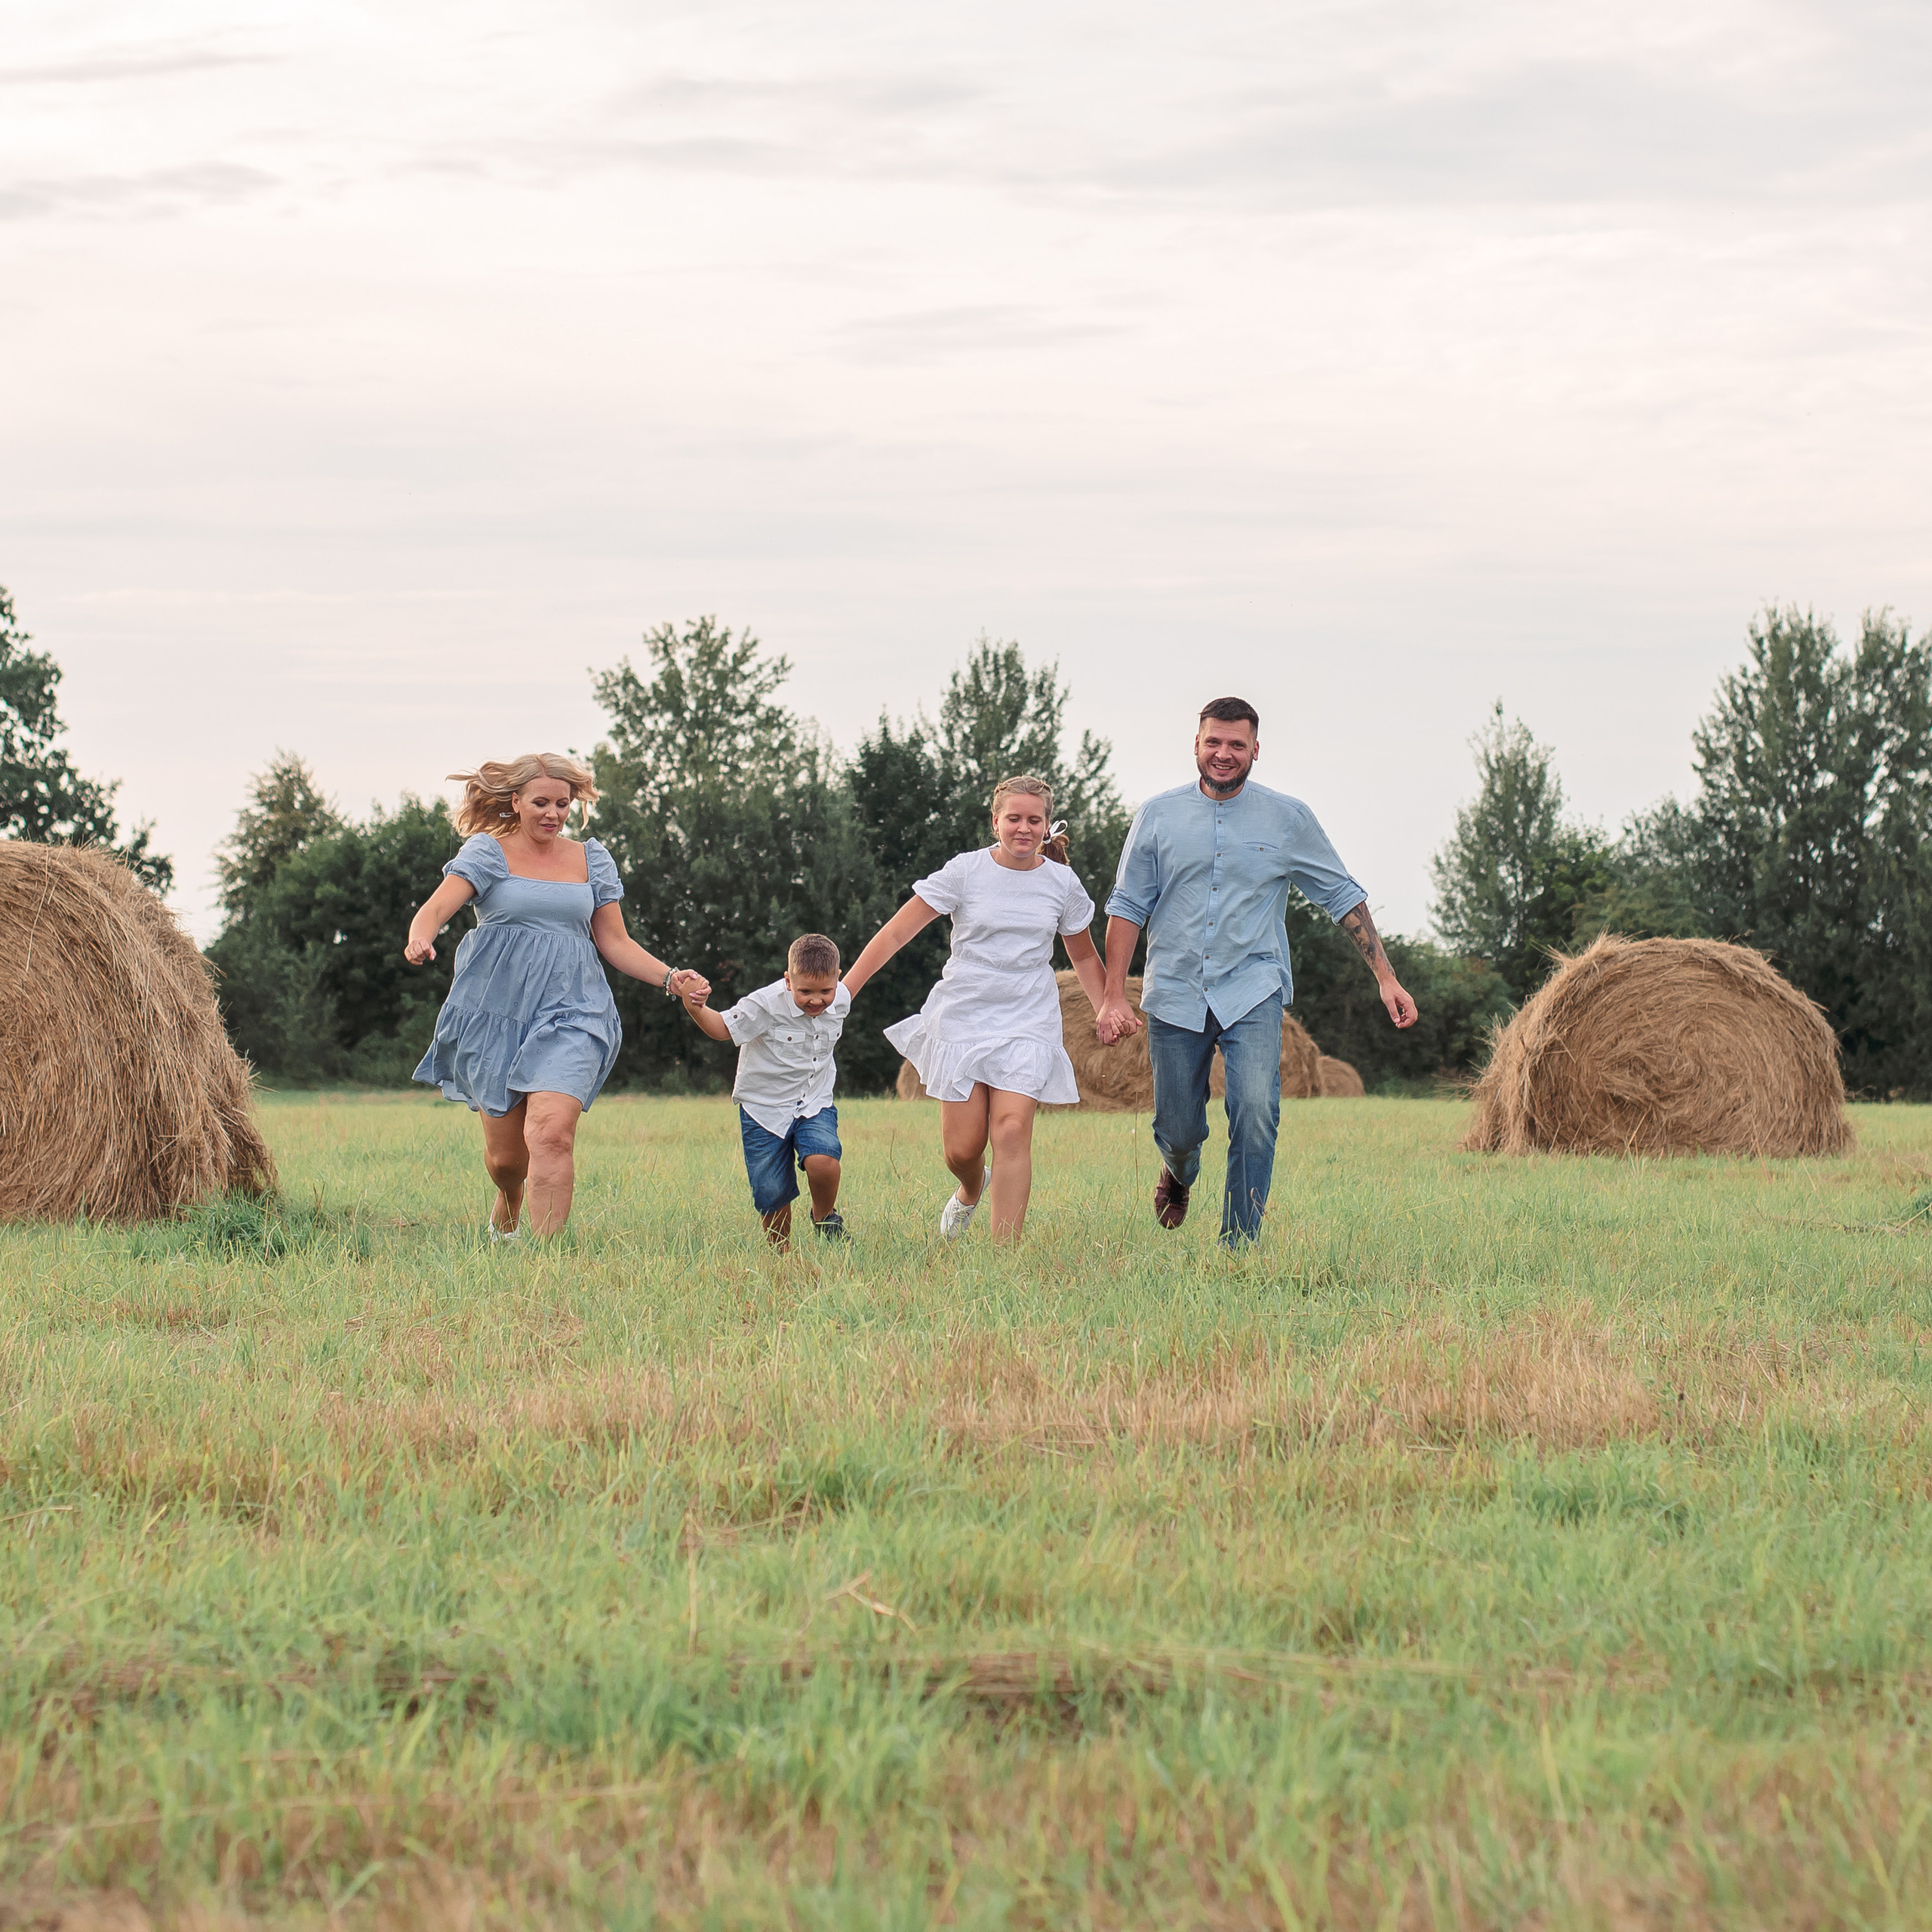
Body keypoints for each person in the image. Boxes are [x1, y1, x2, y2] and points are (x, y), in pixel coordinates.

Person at [1094, 697, 1416, 1245]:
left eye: (1236, 745)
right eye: (1214, 742)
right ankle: (1179, 1170)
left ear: (1255, 751)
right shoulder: (1157, 815)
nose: (1224, 754)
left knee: (1257, 1109)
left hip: (1253, 986)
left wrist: (1386, 977)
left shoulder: (1288, 818)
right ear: (1196, 745)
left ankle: (1238, 1245)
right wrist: (1110, 997)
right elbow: (1128, 906)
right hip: (1174, 988)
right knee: (1178, 1129)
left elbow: (1342, 895)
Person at [405, 752, 706, 1238]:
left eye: (562, 803)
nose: (553, 813)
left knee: (550, 1133)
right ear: (515, 802)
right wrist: (422, 935)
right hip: (494, 1012)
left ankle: (544, 1262)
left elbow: (615, 941)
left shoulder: (591, 859)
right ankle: (509, 1197)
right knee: (507, 1161)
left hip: (574, 1009)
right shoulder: (487, 852)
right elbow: (436, 908)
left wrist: (671, 978)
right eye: (541, 802)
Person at [843, 774, 1121, 1241]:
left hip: (1028, 1020)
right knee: (961, 1149)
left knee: (1012, 1131)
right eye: (1014, 818)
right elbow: (895, 933)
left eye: (1035, 820)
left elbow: (1084, 956)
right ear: (996, 822)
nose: (1024, 828)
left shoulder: (1061, 883)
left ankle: (1004, 1258)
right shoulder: (965, 872)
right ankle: (972, 1188)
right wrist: (846, 990)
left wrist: (1106, 1007)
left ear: (1048, 825)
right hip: (963, 1018)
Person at [679, 932, 851, 1251]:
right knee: (771, 1191)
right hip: (763, 1108)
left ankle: (825, 1216)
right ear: (788, 981)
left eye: (826, 990)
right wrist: (696, 1008)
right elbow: (721, 1028)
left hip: (814, 1100)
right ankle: (780, 1253)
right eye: (805, 992)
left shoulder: (841, 998)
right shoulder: (765, 1005)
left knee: (824, 1159)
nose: (817, 1000)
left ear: (838, 980)